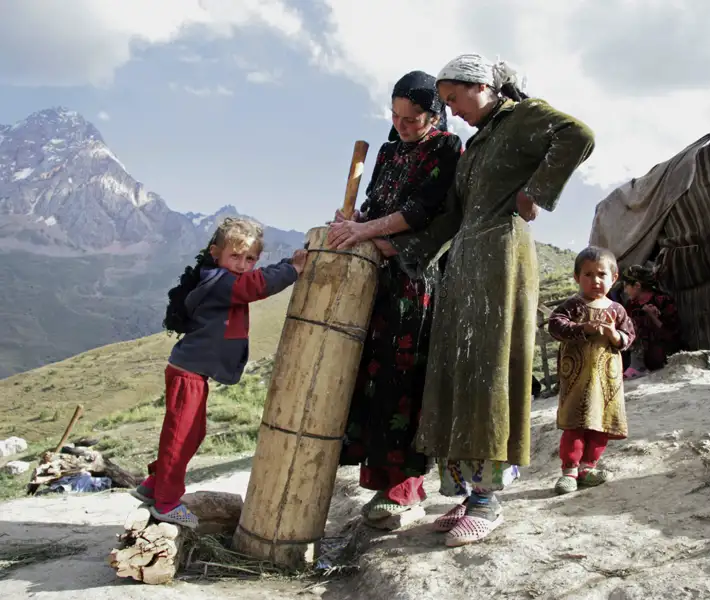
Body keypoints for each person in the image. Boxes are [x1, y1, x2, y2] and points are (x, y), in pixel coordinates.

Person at [386, 53, 595, 546]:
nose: (452, 111)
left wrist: (537, 193)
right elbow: (450, 217)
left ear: (482, 86)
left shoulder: (524, 116)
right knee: (459, 370)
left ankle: (489, 499)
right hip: (463, 264)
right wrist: (391, 247)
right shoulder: (478, 143)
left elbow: (578, 135)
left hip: (502, 257)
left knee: (489, 368)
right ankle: (466, 491)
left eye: (455, 99)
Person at [326, 71, 462, 525]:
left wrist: (366, 229)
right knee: (373, 374)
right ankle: (381, 482)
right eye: (396, 116)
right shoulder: (386, 151)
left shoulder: (447, 148)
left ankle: (405, 488)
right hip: (379, 277)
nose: (402, 125)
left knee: (404, 379)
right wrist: (355, 219)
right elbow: (379, 205)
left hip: (413, 279)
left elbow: (424, 211)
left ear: (434, 114)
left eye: (412, 118)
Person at [130, 217, 307, 528]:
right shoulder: (221, 282)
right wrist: (293, 270)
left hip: (194, 371)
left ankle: (153, 484)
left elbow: (257, 277)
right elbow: (257, 285)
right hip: (188, 372)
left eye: (250, 258)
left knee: (191, 434)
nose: (242, 264)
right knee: (181, 437)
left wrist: (289, 262)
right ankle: (166, 502)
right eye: (235, 256)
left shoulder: (222, 277)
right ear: (216, 253)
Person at [548, 246, 636, 495]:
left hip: (606, 381)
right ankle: (569, 471)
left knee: (600, 423)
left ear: (614, 278)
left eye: (601, 274)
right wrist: (583, 328)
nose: (595, 280)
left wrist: (613, 334)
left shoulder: (617, 310)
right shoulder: (572, 306)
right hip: (576, 379)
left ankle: (588, 468)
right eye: (587, 274)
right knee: (575, 423)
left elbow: (629, 336)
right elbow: (555, 327)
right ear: (577, 277)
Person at [620, 264, 682, 378]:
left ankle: (639, 367)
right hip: (637, 356)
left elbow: (672, 334)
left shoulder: (663, 300)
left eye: (626, 286)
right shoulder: (631, 305)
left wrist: (652, 317)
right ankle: (636, 366)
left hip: (664, 355)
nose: (624, 290)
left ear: (637, 286)